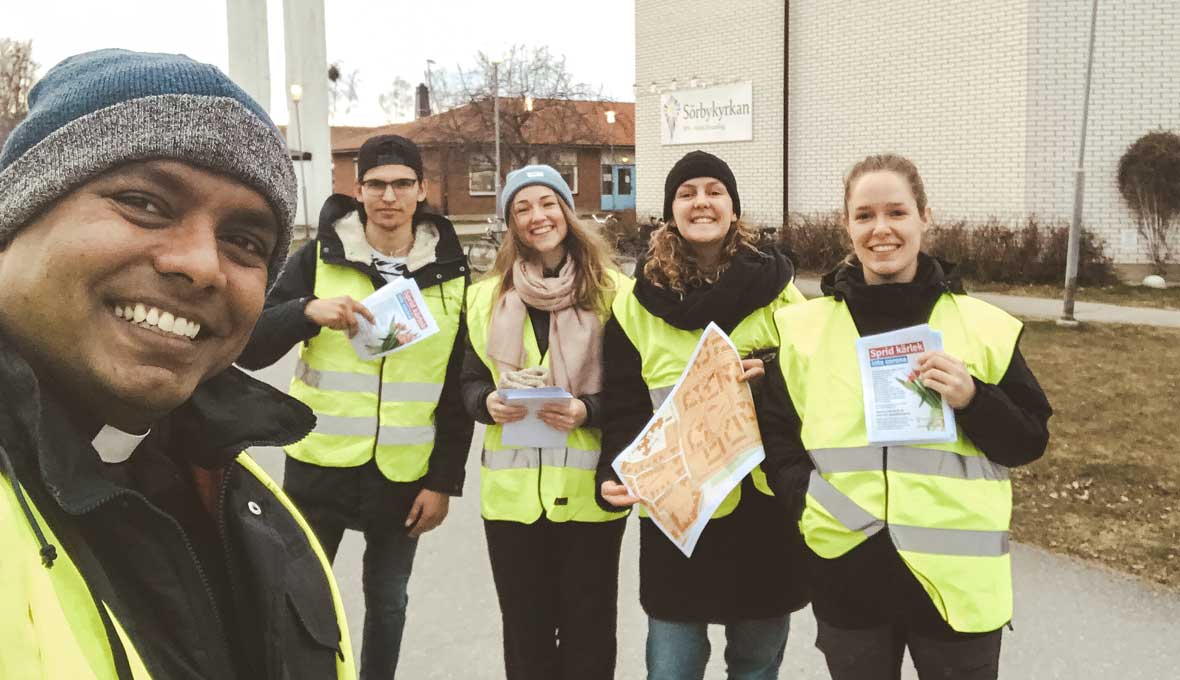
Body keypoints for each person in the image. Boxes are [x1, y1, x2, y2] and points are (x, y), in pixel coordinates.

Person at [0, 49, 354, 679]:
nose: (200, 265)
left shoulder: (258, 508)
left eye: (245, 242)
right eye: (145, 202)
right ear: (15, 219)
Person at [759, 154, 1053, 680]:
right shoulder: (803, 330)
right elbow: (776, 433)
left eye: (896, 212)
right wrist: (807, 500)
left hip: (957, 587)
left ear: (924, 217)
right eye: (864, 215)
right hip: (849, 574)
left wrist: (973, 399)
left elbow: (1028, 441)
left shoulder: (983, 327)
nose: (881, 230)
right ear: (846, 224)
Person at [237, 133, 472, 678]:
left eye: (402, 184)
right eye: (376, 184)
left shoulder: (452, 272)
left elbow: (456, 392)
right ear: (358, 190)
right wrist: (305, 310)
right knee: (299, 600)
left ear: (421, 191)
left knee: (388, 605)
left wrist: (443, 482)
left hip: (404, 476)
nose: (389, 195)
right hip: (321, 468)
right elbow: (250, 347)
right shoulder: (318, 259)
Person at [598, 150, 810, 679]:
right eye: (687, 193)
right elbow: (623, 404)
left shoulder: (780, 292)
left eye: (715, 191)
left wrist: (771, 372)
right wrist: (613, 470)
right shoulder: (636, 302)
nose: (702, 202)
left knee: (756, 665)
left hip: (761, 506)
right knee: (671, 666)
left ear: (734, 209)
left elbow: (814, 381)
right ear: (671, 213)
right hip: (678, 508)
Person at [461, 165, 629, 679]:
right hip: (512, 504)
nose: (538, 217)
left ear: (566, 211)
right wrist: (486, 401)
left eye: (547, 203)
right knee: (526, 634)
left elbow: (635, 391)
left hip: (587, 496)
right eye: (522, 208)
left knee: (589, 632)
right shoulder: (486, 298)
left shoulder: (615, 293)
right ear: (511, 223)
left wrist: (587, 410)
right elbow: (466, 381)